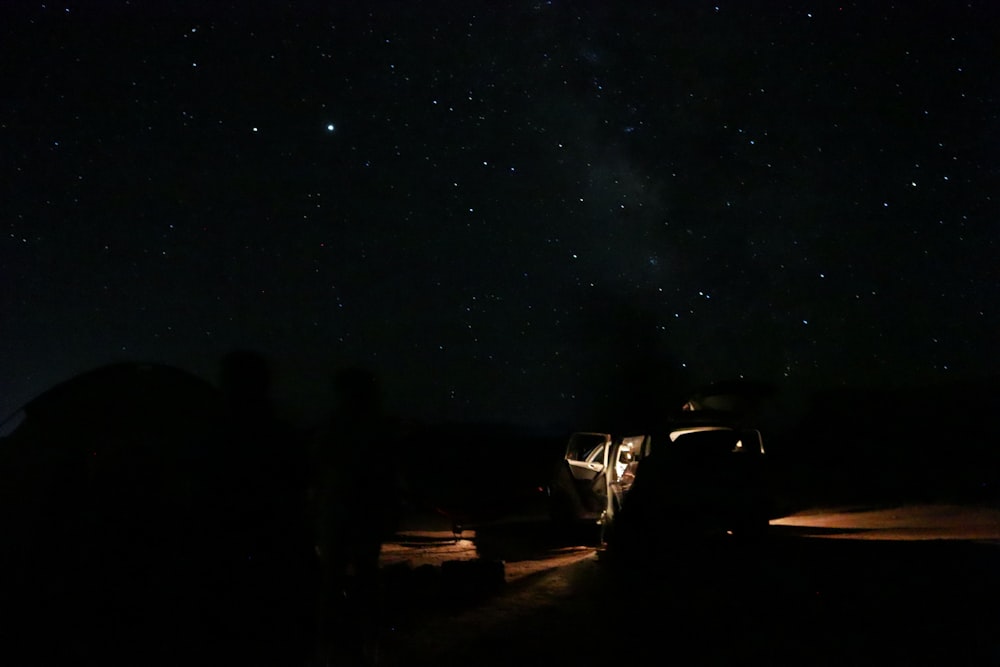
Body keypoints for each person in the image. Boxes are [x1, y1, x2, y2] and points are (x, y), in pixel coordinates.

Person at [312, 367, 404, 666]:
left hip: (345, 511)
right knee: (360, 576)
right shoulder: (373, 428)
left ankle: (340, 643)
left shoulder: (339, 426)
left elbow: (322, 469)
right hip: (357, 512)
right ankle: (363, 641)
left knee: (338, 578)